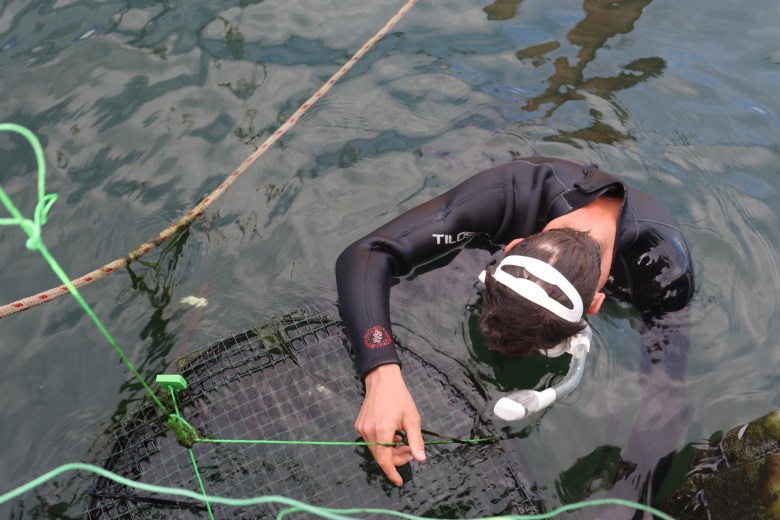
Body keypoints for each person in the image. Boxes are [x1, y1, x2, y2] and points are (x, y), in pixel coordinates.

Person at [335, 157, 694, 509]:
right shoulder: (511, 192)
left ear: (596, 306)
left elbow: (665, 400)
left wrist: (625, 500)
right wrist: (381, 370)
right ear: (510, 247)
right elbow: (367, 254)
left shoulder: (665, 273)